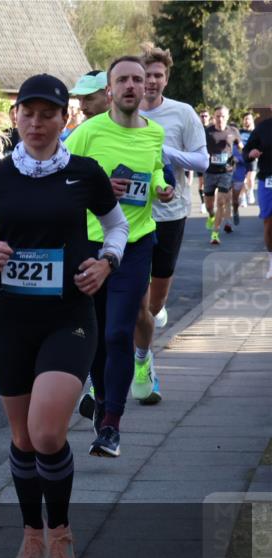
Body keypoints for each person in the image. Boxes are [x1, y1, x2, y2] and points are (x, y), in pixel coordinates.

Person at [0, 73, 129, 558]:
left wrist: (108, 261)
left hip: (68, 315)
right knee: (24, 437)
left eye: (47, 113)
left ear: (63, 118)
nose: (35, 122)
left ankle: (62, 533)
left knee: (49, 432)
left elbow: (115, 226)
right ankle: (32, 533)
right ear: (16, 117)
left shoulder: (84, 172)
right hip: (5, 320)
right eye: (27, 112)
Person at [66, 56, 174, 458]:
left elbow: (156, 171)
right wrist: (97, 187)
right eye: (123, 80)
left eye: (138, 79)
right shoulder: (87, 133)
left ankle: (111, 423)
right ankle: (104, 404)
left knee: (117, 332)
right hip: (91, 244)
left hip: (136, 243)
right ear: (110, 89)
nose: (132, 85)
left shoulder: (155, 133)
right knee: (95, 335)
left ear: (147, 86)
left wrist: (162, 188)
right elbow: (61, 174)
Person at [128, 43, 208, 407]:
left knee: (154, 302)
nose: (153, 82)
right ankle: (142, 363)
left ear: (166, 78)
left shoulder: (182, 113)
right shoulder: (124, 115)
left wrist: (166, 153)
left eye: (159, 75)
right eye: (148, 76)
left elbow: (203, 161)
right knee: (133, 300)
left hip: (170, 214)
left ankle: (152, 319)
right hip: (130, 217)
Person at [203, 105, 243, 243]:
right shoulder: (207, 132)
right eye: (218, 116)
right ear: (214, 117)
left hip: (226, 171)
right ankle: (211, 216)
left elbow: (241, 146)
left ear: (227, 117)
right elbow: (198, 147)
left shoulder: (233, 131)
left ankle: (215, 234)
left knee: (220, 201)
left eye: (223, 116)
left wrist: (243, 155)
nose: (220, 119)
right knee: (209, 205)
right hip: (209, 172)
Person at [242, 110, 272, 279]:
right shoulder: (263, 128)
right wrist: (250, 155)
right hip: (268, 180)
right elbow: (246, 151)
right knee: (268, 221)